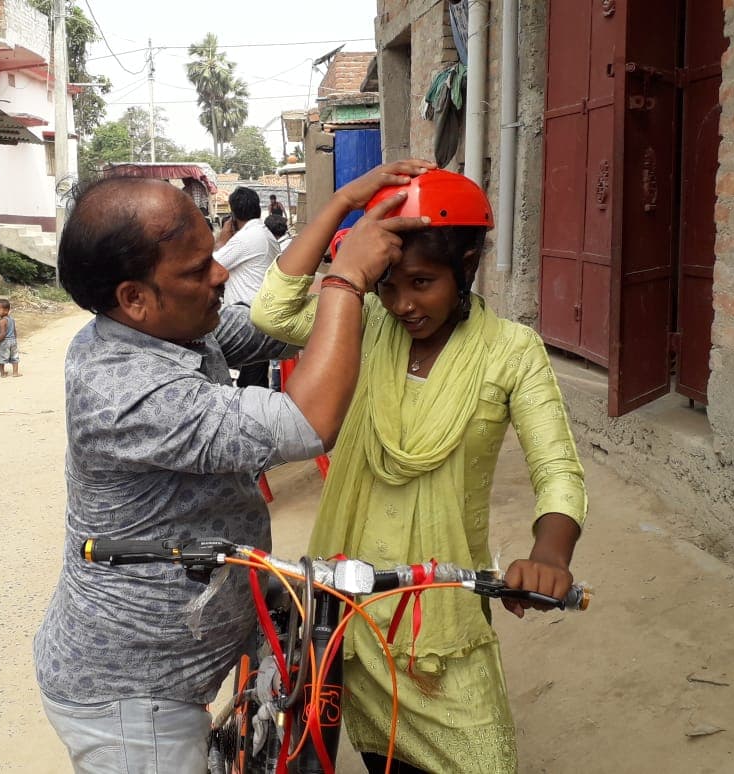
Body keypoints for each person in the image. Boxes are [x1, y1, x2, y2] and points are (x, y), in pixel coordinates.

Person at [32, 162, 433, 774]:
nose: (221, 274)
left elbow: (275, 320)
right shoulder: (126, 390)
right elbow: (308, 421)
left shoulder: (179, 330)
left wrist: (341, 206)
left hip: (204, 622)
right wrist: (347, 277)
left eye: (212, 252)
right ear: (133, 299)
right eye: (197, 270)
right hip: (132, 691)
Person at [250, 168, 588, 774]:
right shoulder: (361, 325)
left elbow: (558, 470)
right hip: (350, 604)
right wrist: (345, 205)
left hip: (442, 613)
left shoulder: (511, 350)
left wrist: (552, 554)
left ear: (468, 266)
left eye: (423, 283)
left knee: (484, 759)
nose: (402, 304)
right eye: (387, 285)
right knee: (382, 756)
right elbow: (273, 311)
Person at [214, 186, 280, 387]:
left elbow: (212, 267)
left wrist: (221, 240)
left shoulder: (245, 238)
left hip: (247, 320)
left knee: (250, 383)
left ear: (233, 215)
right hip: (260, 314)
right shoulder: (265, 234)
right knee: (255, 379)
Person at [0, 298, 19, 377]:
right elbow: (14, 330)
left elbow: (3, 334)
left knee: (1, 357)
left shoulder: (2, 321)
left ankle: (2, 374)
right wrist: (15, 339)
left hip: (4, 342)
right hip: (13, 341)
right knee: (14, 357)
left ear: (6, 310)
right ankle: (15, 373)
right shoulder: (11, 319)